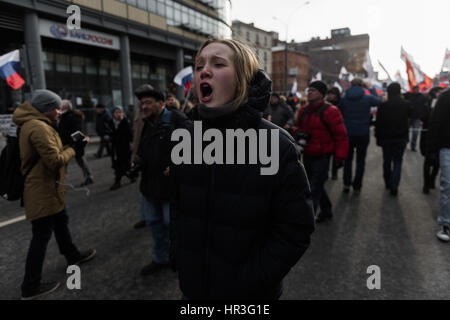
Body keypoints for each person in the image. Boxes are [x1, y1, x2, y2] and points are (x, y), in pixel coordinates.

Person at [170, 39, 315, 299]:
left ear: (242, 78)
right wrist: (179, 255)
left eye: (218, 63)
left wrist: (255, 278)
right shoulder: (187, 137)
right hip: (193, 289)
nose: (204, 70)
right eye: (199, 64)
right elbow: (180, 207)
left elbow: (296, 228)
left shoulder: (276, 144)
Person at [12, 90, 96, 300]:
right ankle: (30, 286)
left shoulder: (36, 123)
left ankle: (72, 255)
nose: (60, 111)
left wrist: (69, 145)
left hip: (48, 189)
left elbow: (50, 154)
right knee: (41, 237)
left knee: (61, 221)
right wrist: (74, 149)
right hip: (42, 191)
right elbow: (54, 161)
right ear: (46, 109)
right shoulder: (38, 127)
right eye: (57, 108)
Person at [133, 87, 188, 276]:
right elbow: (144, 149)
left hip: (170, 189)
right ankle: (161, 259)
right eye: (142, 104)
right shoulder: (147, 122)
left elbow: (195, 150)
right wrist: (137, 160)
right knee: (154, 225)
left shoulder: (178, 120)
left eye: (148, 103)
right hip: (149, 187)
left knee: (172, 227)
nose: (144, 107)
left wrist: (177, 166)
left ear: (161, 103)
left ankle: (181, 260)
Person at [294, 81, 348, 223]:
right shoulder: (303, 110)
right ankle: (327, 211)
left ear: (321, 94)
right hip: (307, 153)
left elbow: (341, 135)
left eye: (313, 90)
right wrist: (298, 132)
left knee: (314, 187)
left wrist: (340, 156)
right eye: (309, 89)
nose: (309, 92)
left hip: (323, 156)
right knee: (314, 184)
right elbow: (297, 127)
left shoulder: (331, 111)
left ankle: (307, 221)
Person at [340, 78, 381, 194]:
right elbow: (379, 101)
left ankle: (346, 184)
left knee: (347, 160)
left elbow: (340, 110)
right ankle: (357, 186)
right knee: (360, 161)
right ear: (362, 86)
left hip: (348, 133)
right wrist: (371, 89)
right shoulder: (367, 98)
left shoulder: (344, 99)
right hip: (363, 133)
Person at [374, 83, 412, 196]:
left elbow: (378, 123)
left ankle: (388, 182)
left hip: (386, 137)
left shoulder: (383, 105)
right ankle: (394, 185)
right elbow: (412, 115)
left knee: (387, 160)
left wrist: (377, 137)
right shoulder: (406, 104)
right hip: (401, 137)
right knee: (398, 161)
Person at [427, 88, 450, 242]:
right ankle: (445, 223)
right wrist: (433, 149)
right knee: (447, 185)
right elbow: (435, 122)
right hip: (447, 147)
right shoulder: (445, 98)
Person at [131, 84, 154, 230]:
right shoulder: (138, 112)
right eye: (140, 98)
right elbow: (136, 134)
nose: (141, 100)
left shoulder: (155, 113)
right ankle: (145, 216)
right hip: (140, 154)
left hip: (152, 156)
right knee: (143, 189)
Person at [58, 100, 93, 187]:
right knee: (66, 163)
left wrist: (75, 144)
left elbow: (77, 131)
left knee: (80, 160)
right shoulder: (64, 116)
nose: (59, 108)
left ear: (65, 107)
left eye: (61, 106)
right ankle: (61, 180)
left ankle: (88, 177)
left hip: (72, 143)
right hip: (66, 143)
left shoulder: (72, 116)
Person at [420, 87, 443, 194]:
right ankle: (426, 184)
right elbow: (423, 118)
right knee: (428, 161)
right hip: (428, 136)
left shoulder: (444, 104)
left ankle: (432, 180)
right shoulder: (426, 104)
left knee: (437, 162)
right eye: (438, 92)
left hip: (439, 137)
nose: (439, 94)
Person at [108, 106, 133, 191]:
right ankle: (128, 177)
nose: (119, 114)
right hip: (115, 148)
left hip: (124, 147)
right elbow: (110, 133)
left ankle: (119, 181)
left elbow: (130, 134)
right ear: (113, 114)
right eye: (116, 112)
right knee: (119, 166)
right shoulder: (110, 123)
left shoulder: (125, 122)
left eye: (120, 112)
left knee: (122, 165)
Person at [405, 85, 428, 152]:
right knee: (406, 132)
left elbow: (425, 106)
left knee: (415, 133)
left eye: (417, 89)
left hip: (417, 118)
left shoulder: (422, 97)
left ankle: (413, 146)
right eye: (415, 89)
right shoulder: (408, 95)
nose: (416, 90)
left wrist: (422, 116)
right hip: (408, 117)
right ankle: (405, 143)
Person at [326, 87, 342, 180]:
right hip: (327, 131)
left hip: (336, 131)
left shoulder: (341, 103)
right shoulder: (326, 103)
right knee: (327, 154)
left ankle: (334, 173)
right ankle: (326, 172)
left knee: (336, 154)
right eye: (329, 94)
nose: (330, 96)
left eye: (332, 94)